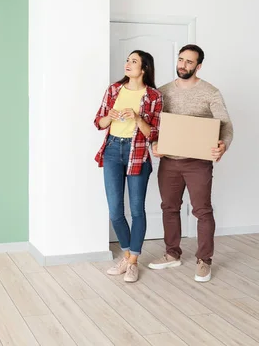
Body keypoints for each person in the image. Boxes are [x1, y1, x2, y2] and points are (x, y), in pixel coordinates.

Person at [147, 44, 233, 282]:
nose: (183, 65)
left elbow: (225, 125)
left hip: (198, 163)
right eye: (181, 59)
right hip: (169, 162)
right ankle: (172, 253)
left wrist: (223, 145)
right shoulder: (162, 92)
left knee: (202, 211)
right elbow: (154, 125)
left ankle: (204, 260)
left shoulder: (210, 92)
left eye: (189, 62)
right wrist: (153, 143)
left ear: (199, 66)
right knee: (169, 208)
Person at [94, 50, 163, 283]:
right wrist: (110, 117)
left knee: (136, 210)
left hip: (138, 153)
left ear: (144, 68)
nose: (128, 64)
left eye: (133, 61)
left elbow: (154, 132)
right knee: (115, 210)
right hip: (113, 150)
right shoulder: (114, 90)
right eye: (127, 60)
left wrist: (136, 116)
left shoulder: (154, 96)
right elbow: (99, 122)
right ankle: (126, 255)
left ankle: (133, 262)